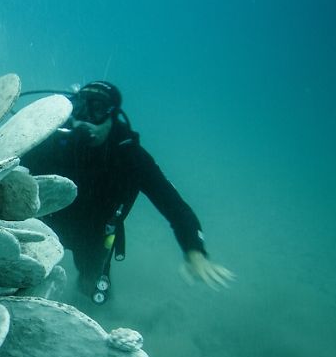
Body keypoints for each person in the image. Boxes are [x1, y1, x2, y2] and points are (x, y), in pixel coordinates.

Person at [23, 80, 234, 303]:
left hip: (94, 238)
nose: (85, 119)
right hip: (45, 224)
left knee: (92, 293)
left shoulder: (131, 158)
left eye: (96, 110)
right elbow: (8, 171)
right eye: (80, 108)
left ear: (112, 116)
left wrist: (194, 250)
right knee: (23, 273)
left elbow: (174, 206)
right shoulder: (53, 143)